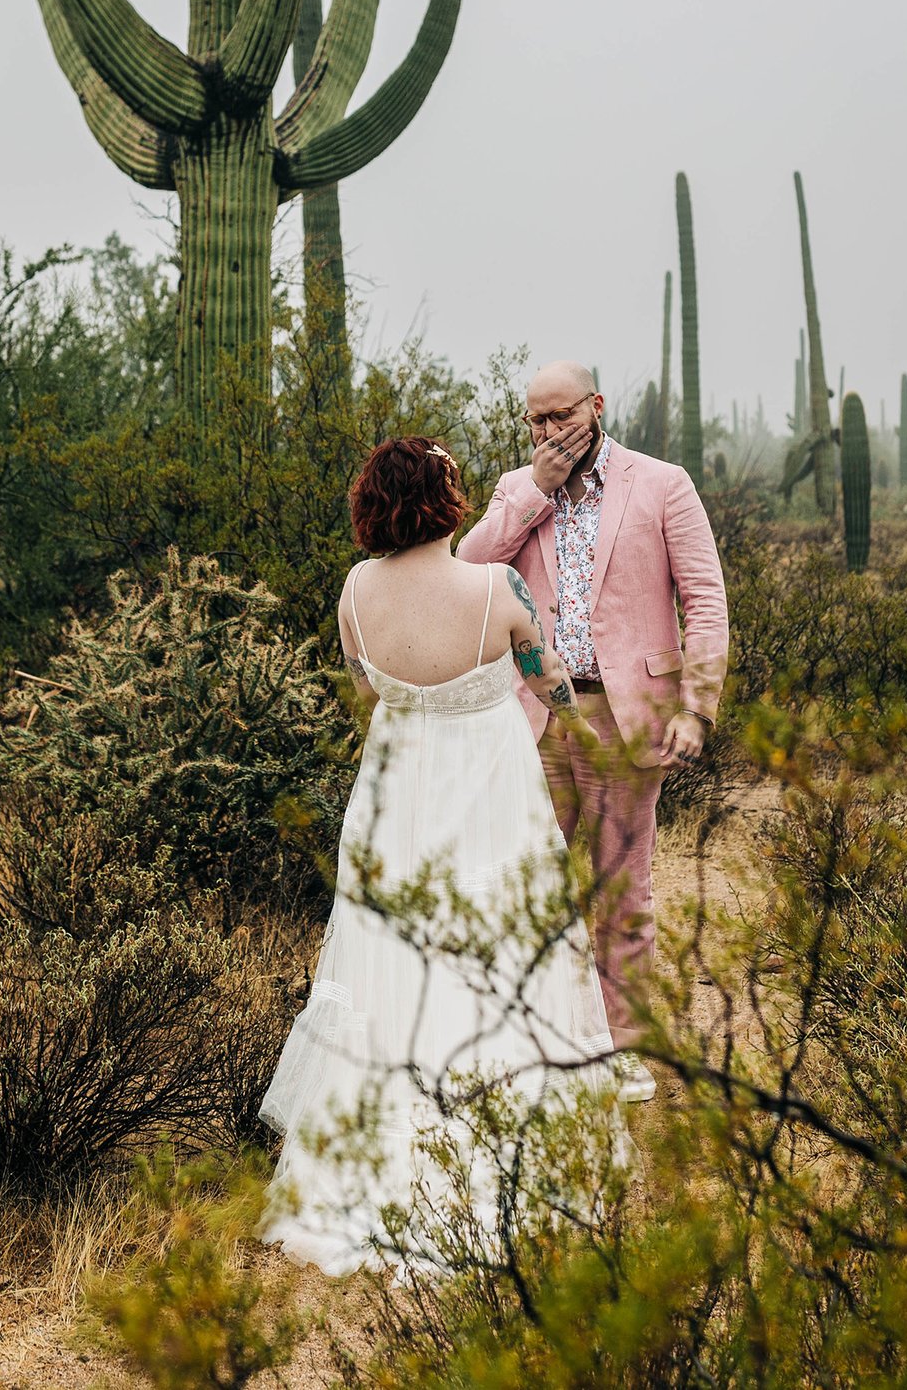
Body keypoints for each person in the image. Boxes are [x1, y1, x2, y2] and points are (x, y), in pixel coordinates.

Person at [257, 436, 629, 1280]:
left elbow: (365, 685)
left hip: (395, 788)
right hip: (487, 788)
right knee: (496, 949)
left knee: (393, 954)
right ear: (444, 498)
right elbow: (548, 683)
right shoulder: (494, 587)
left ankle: (371, 1154)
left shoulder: (356, 591)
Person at [458, 362, 729, 1103]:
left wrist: (696, 707)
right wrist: (533, 493)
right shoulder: (518, 490)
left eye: (560, 416)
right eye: (535, 422)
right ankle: (529, 1043)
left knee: (620, 889)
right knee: (526, 884)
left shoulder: (662, 483)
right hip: (536, 716)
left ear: (597, 406)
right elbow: (468, 573)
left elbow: (704, 600)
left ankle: (622, 1049)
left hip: (624, 714)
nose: (548, 432)